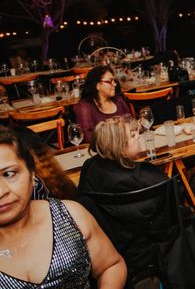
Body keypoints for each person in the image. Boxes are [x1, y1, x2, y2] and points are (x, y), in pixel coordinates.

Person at [0, 126, 127, 287]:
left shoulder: (70, 215)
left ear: (32, 176)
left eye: (9, 174)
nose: (1, 191)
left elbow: (111, 266)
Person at [77, 117, 167, 282]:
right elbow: (169, 216)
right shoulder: (145, 177)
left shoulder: (89, 168)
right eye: (133, 136)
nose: (138, 136)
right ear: (119, 147)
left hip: (106, 247)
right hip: (145, 249)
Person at [74, 66, 131, 142]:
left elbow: (130, 124)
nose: (114, 84)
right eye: (110, 81)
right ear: (97, 85)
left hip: (125, 145)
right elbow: (88, 138)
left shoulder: (119, 100)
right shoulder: (85, 107)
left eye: (114, 81)